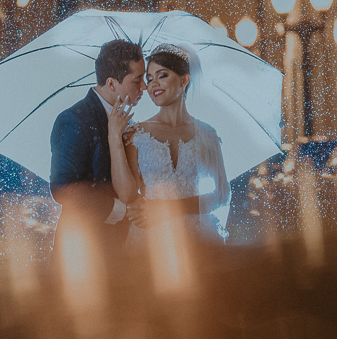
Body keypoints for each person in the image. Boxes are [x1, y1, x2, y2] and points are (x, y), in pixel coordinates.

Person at [106, 43, 230, 246]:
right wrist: (114, 138)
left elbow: (223, 195)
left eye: (162, 75)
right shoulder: (137, 133)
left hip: (199, 238)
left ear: (184, 80)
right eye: (149, 79)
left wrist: (167, 209)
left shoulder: (207, 133)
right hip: (150, 239)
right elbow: (127, 194)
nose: (153, 84)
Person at [48, 39, 146, 261]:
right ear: (112, 84)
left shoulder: (128, 121)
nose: (145, 87)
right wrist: (121, 210)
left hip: (123, 248)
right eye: (137, 80)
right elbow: (63, 188)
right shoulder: (73, 120)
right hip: (82, 251)